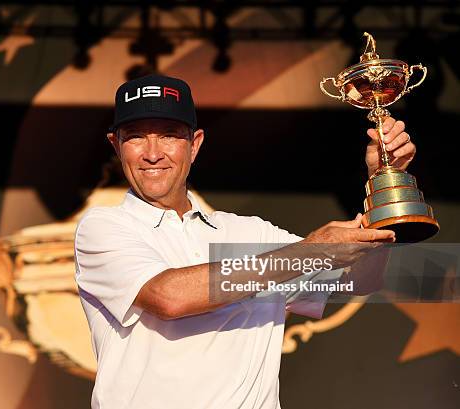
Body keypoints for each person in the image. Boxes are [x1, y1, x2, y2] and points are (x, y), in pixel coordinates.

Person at [74, 74, 416, 408]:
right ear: (116, 146)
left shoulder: (253, 233)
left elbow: (359, 280)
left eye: (168, 136)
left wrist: (383, 184)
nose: (152, 153)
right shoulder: (103, 227)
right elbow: (169, 297)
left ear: (194, 145)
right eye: (135, 137)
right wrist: (310, 252)